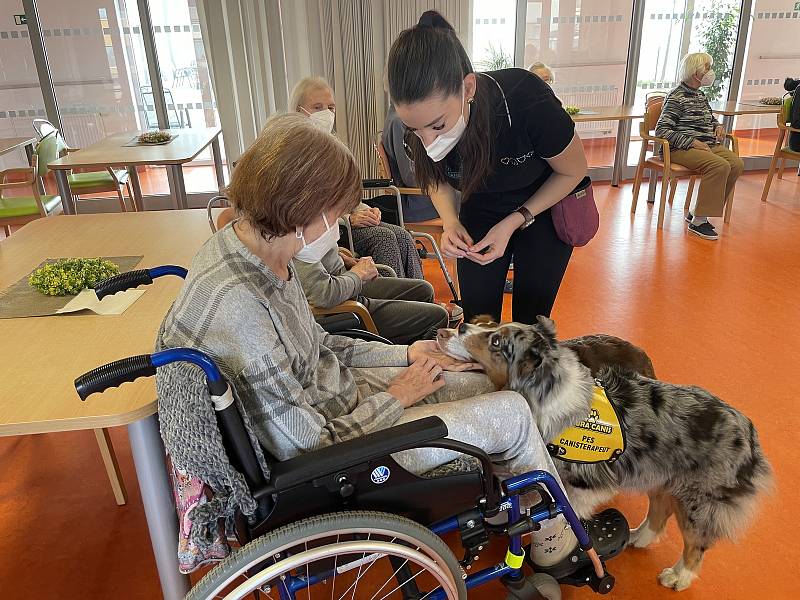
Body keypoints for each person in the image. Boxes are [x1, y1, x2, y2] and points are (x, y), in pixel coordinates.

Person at [157, 113, 593, 573]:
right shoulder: (242, 312)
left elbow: (323, 345)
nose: (342, 221)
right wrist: (397, 395)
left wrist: (408, 353)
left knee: (488, 385)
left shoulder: (251, 248)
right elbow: (309, 448)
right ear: (307, 207)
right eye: (338, 211)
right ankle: (556, 545)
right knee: (514, 412)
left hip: (341, 399)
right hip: (336, 459)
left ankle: (517, 513)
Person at [387, 11, 588, 324]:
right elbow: (437, 179)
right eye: (416, 131)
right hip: (479, 207)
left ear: (468, 88)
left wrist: (515, 220)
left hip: (543, 206)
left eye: (438, 126)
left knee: (530, 325)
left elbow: (573, 171)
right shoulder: (417, 120)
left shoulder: (525, 99)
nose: (428, 143)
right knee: (477, 322)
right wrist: (451, 221)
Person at [291, 76, 425, 278]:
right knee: (384, 238)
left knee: (404, 236)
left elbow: (347, 197)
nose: (326, 114)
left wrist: (367, 210)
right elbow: (303, 212)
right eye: (318, 107)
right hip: (326, 231)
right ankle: (392, 300)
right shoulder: (293, 156)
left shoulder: (333, 149)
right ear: (299, 111)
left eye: (331, 107)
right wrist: (347, 218)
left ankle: (420, 301)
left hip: (346, 221)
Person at [655, 52, 744, 241]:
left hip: (706, 144)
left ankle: (698, 210)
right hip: (680, 149)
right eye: (707, 68)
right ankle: (699, 222)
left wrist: (717, 126)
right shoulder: (676, 97)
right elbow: (662, 130)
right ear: (695, 72)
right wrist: (692, 142)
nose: (710, 72)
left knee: (736, 164)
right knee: (720, 166)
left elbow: (709, 118)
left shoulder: (700, 95)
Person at [293, 241, 449, 345]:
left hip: (344, 281)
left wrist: (344, 259)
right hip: (339, 305)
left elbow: (320, 252)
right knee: (437, 316)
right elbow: (322, 295)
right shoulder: (297, 231)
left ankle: (409, 347)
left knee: (423, 290)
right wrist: (358, 274)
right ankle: (415, 362)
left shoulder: (310, 217)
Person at [381, 104, 440, 223]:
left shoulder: (397, 116)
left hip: (422, 197)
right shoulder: (399, 122)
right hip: (417, 203)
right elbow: (411, 177)